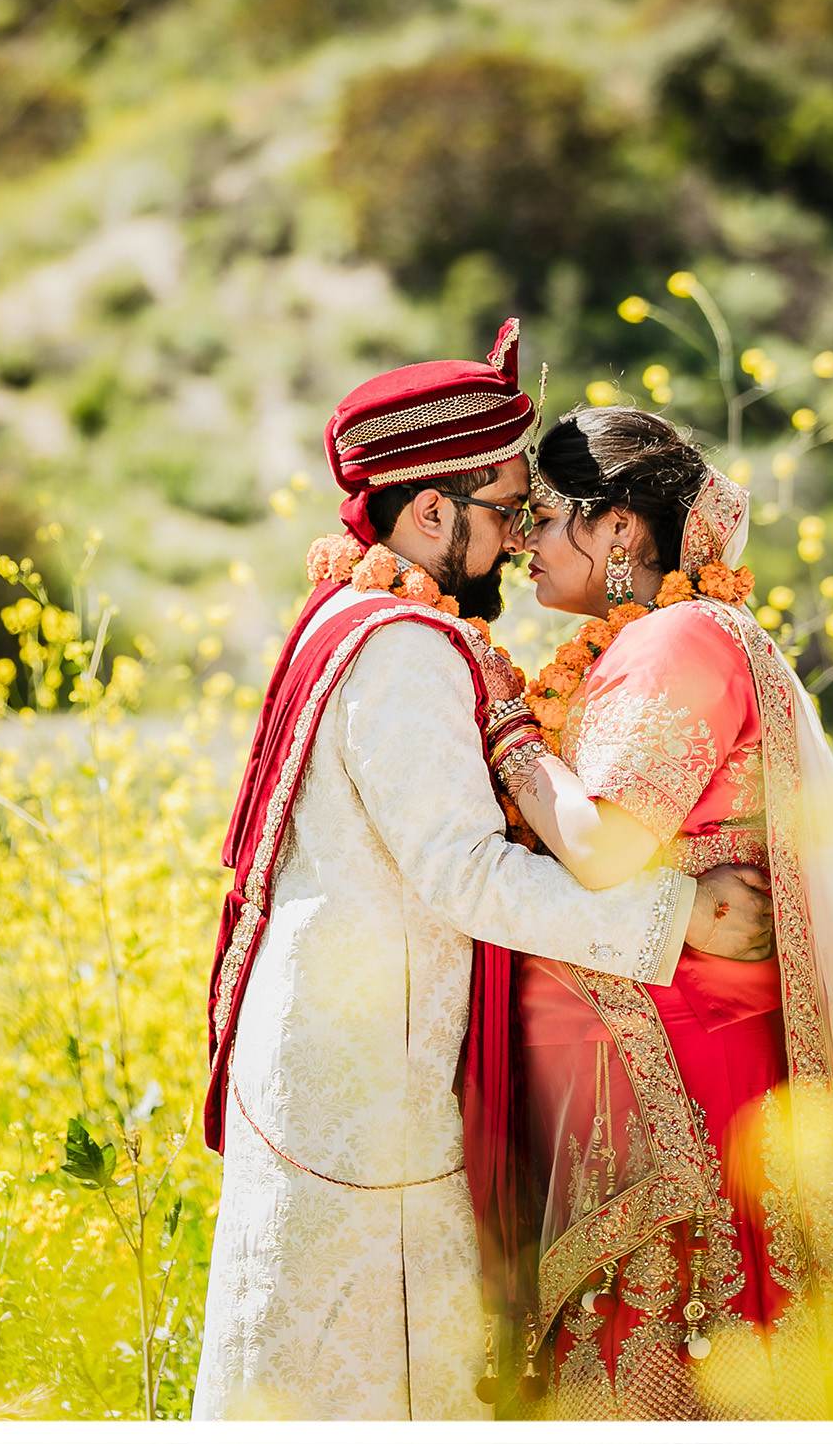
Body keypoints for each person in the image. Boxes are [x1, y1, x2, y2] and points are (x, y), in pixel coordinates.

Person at [192, 323, 775, 1420]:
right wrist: (673, 920)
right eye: (507, 508)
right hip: (368, 1104)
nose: (514, 540)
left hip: (340, 1076)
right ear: (427, 514)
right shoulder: (406, 646)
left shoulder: (351, 617)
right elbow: (464, 874)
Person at [466, 403, 833, 1419]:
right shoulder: (673, 636)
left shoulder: (676, 640)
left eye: (543, 513)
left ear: (619, 528)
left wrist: (508, 731)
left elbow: (605, 847)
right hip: (667, 1067)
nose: (521, 540)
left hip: (680, 1090)